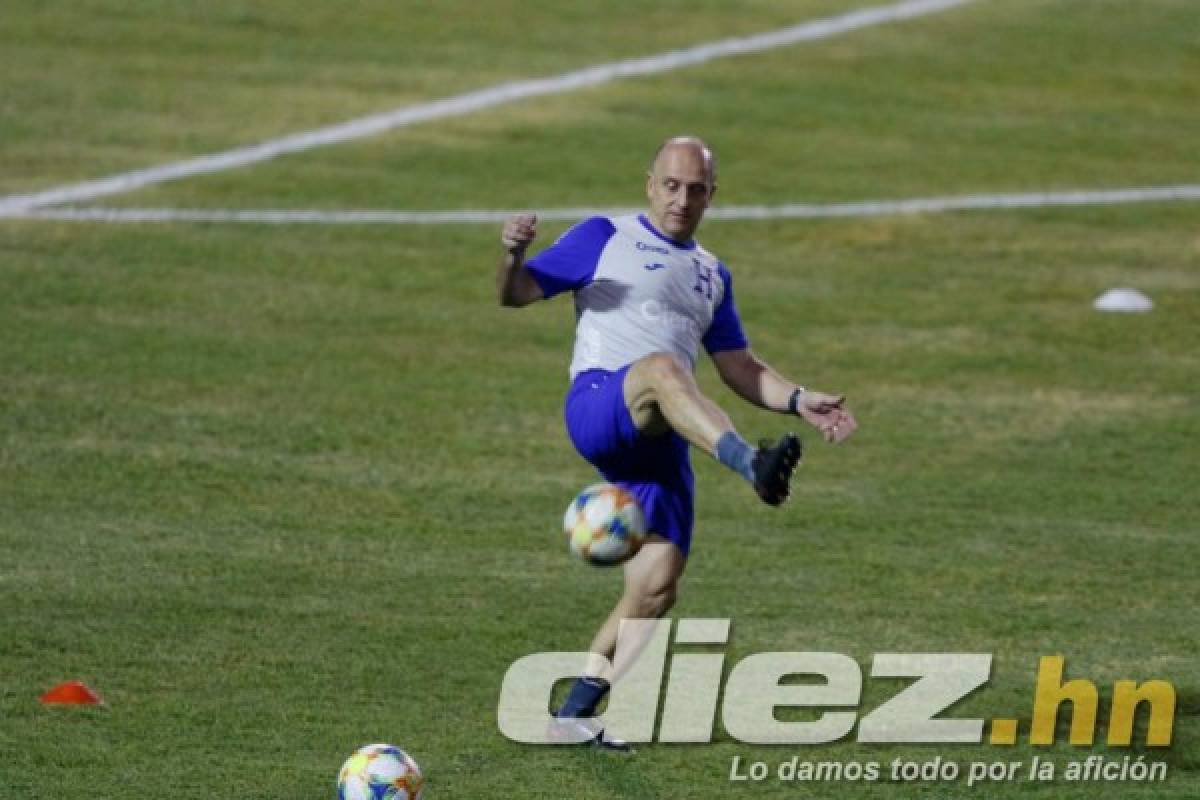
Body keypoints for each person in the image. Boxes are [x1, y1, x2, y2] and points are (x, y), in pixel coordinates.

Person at [495, 135, 857, 750]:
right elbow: (518, 292)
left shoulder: (712, 274)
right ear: (649, 183)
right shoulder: (603, 236)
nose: (681, 199)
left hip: (664, 438)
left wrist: (799, 398)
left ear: (712, 196)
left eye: (695, 189)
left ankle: (574, 715)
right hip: (603, 402)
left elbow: (738, 366)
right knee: (663, 366)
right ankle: (751, 463)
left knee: (657, 585)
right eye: (671, 184)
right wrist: (512, 251)